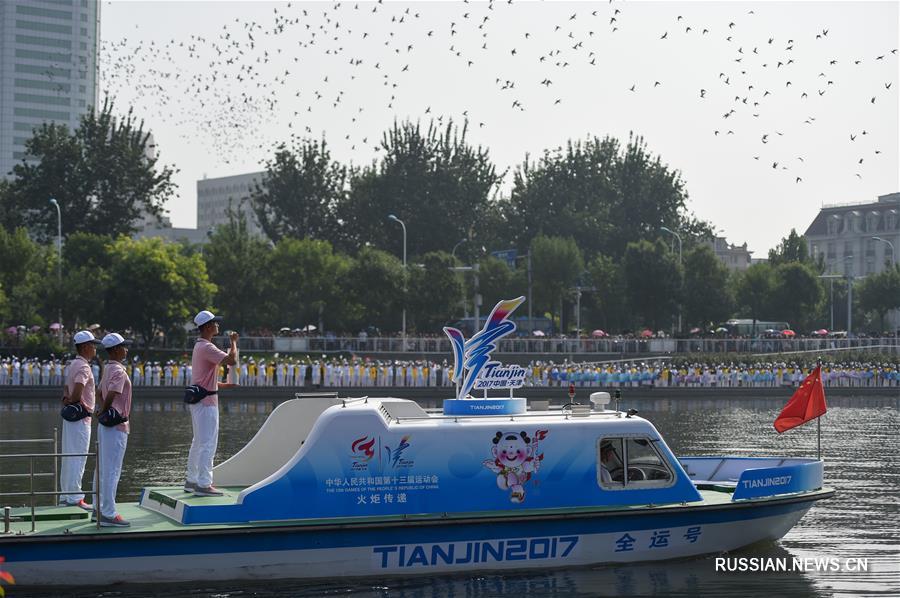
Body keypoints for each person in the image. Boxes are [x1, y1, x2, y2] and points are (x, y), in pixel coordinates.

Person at [185, 310, 238, 497]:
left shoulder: (200, 346)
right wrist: (233, 342)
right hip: (207, 402)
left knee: (198, 441)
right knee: (208, 443)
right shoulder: (206, 347)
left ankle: (191, 480)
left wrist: (224, 384)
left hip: (201, 399)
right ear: (207, 327)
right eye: (215, 322)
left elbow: (205, 378)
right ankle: (204, 484)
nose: (218, 325)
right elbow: (232, 360)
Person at [59, 330, 102, 510]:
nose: (95, 349)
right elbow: (77, 389)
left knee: (69, 455)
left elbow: (66, 390)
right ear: (85, 347)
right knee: (79, 456)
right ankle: (76, 496)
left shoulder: (74, 364)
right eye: (93, 345)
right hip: (81, 417)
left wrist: (68, 400)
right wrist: (74, 399)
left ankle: (65, 495)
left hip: (71, 417)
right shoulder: (84, 367)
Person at [95, 332, 133, 527]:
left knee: (101, 468)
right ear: (116, 350)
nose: (126, 349)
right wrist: (106, 409)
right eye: (124, 346)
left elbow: (97, 390)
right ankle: (108, 512)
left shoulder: (107, 368)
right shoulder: (118, 370)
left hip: (106, 424)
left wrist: (101, 411)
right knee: (112, 470)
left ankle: (97, 509)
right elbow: (111, 393)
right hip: (116, 424)